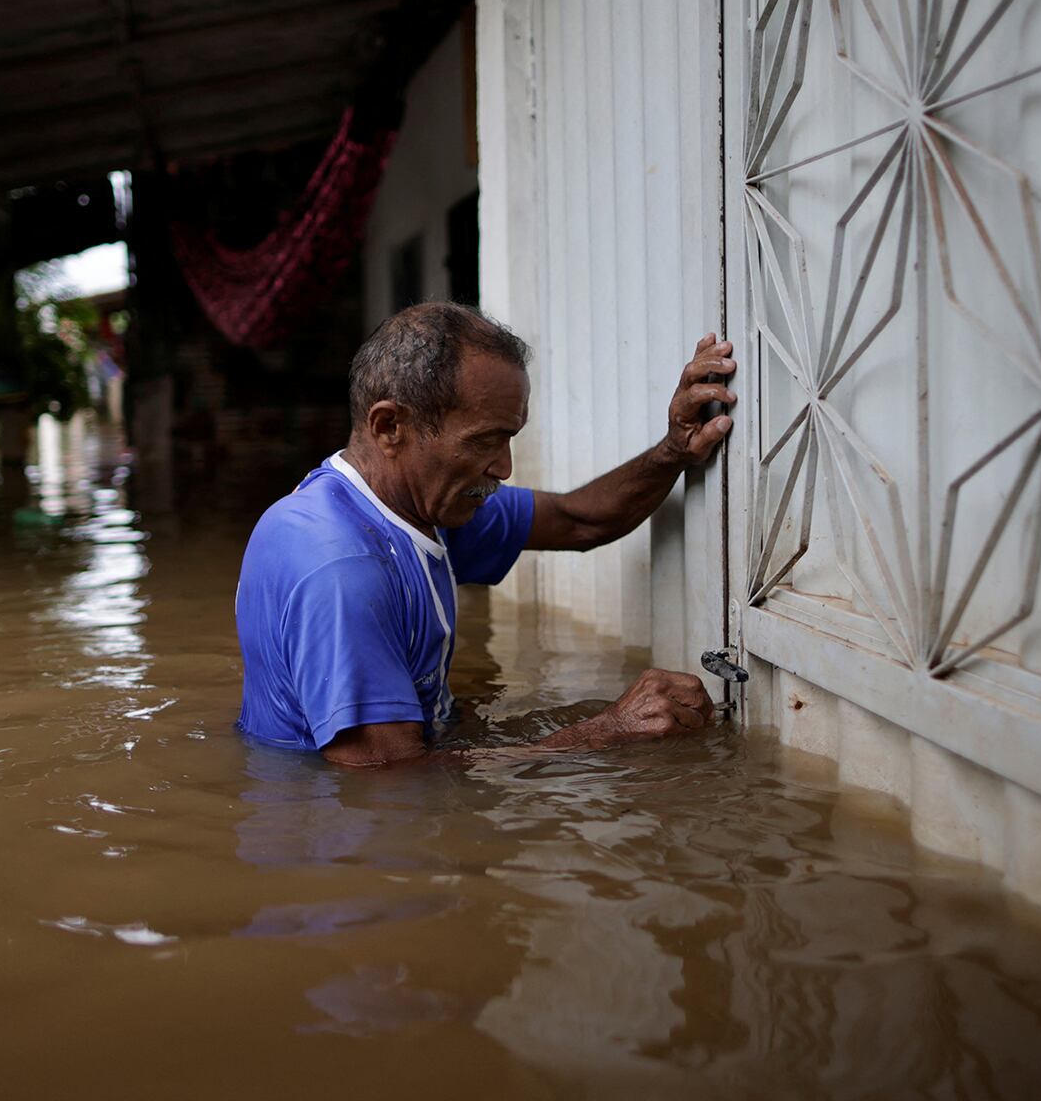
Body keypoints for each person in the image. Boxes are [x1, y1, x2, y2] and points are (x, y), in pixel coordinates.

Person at [234, 302, 737, 766]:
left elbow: (579, 519)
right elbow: (385, 787)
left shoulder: (420, 506)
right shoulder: (343, 571)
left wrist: (674, 449)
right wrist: (605, 732)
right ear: (390, 427)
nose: (504, 466)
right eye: (485, 442)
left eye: (509, 438)